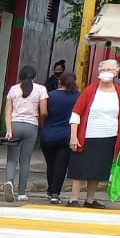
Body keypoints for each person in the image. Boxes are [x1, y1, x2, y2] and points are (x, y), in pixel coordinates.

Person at [67, 58, 120, 209]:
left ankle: (90, 199)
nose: (105, 73)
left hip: (109, 137)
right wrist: (73, 136)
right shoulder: (90, 90)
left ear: (116, 72)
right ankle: (73, 198)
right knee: (81, 168)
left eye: (109, 70)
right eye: (103, 70)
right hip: (87, 136)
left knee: (98, 169)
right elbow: (76, 113)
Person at [2, 66, 47, 202]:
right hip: (31, 126)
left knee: (11, 159)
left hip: (15, 125)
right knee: (25, 161)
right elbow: (44, 111)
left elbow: (8, 112)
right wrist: (39, 123)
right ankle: (22, 193)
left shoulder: (13, 89)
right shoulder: (41, 89)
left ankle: (9, 181)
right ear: (35, 77)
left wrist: (9, 130)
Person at [40, 71, 80, 204]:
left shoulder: (50, 96)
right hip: (66, 135)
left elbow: (43, 113)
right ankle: (55, 193)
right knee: (61, 166)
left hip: (48, 135)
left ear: (59, 82)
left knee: (50, 164)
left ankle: (50, 189)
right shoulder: (78, 97)